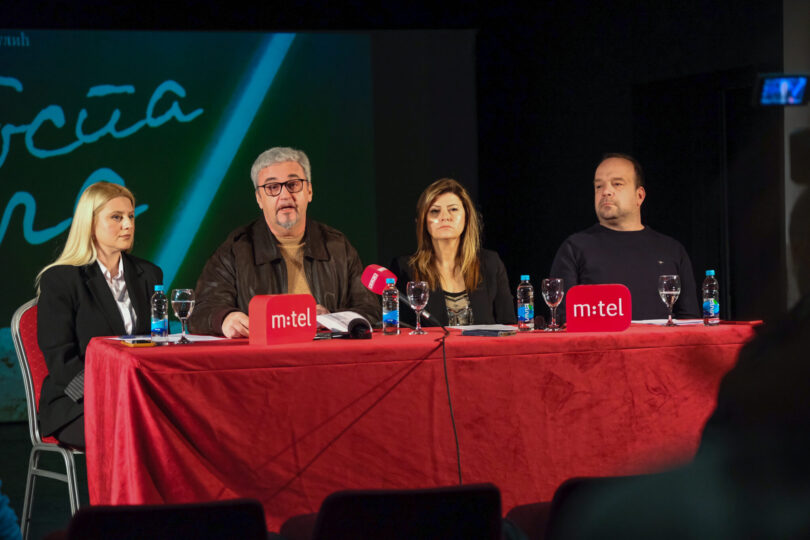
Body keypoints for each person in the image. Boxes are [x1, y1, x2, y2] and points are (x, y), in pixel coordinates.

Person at [189, 147, 379, 337]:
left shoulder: (337, 247)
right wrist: (225, 318)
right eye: (272, 187)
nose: (285, 195)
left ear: (309, 191)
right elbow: (200, 311)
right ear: (259, 199)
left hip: (325, 353)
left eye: (293, 184)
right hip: (262, 355)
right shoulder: (236, 250)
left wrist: (331, 318)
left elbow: (371, 310)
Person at [36, 182, 163, 449]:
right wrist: (113, 393)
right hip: (77, 404)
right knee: (136, 431)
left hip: (138, 396)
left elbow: (158, 343)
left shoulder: (150, 274)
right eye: (116, 217)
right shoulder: (60, 279)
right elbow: (61, 361)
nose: (128, 225)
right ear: (90, 223)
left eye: (130, 216)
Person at [549, 153, 699, 320]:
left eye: (617, 184)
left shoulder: (672, 250)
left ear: (639, 196)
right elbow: (563, 322)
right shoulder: (574, 248)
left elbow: (690, 321)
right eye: (598, 186)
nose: (606, 192)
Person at [390, 178, 516, 327]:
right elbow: (400, 329)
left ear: (467, 217)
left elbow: (509, 325)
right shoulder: (405, 269)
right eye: (435, 211)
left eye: (453, 209)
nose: (445, 217)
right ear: (423, 221)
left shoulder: (491, 263)